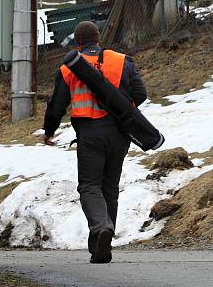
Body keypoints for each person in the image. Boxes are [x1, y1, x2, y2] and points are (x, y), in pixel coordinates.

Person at [44, 21, 147, 264]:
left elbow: (57, 105)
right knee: (110, 189)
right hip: (120, 133)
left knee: (90, 186)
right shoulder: (122, 60)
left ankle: (101, 227)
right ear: (98, 39)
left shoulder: (70, 67)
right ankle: (103, 247)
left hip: (90, 134)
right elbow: (140, 94)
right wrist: (120, 108)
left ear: (77, 42)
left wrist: (49, 131)